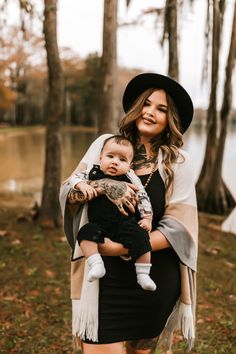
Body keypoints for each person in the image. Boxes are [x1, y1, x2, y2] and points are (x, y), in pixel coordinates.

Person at [60, 73, 198, 354]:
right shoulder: (104, 144)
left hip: (152, 278)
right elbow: (69, 191)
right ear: (137, 107)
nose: (150, 112)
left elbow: (179, 227)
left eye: (161, 109)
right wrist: (105, 185)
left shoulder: (177, 162)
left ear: (170, 119)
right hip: (103, 277)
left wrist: (119, 248)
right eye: (147, 103)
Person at [75, 134, 156, 291]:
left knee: (141, 235)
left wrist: (147, 218)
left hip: (124, 222)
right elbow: (73, 179)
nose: (114, 162)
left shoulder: (131, 178)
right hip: (98, 224)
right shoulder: (92, 172)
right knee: (85, 232)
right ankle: (96, 264)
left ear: (130, 166)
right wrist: (80, 185)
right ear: (100, 158)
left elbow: (143, 196)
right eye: (110, 156)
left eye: (122, 160)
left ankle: (143, 273)